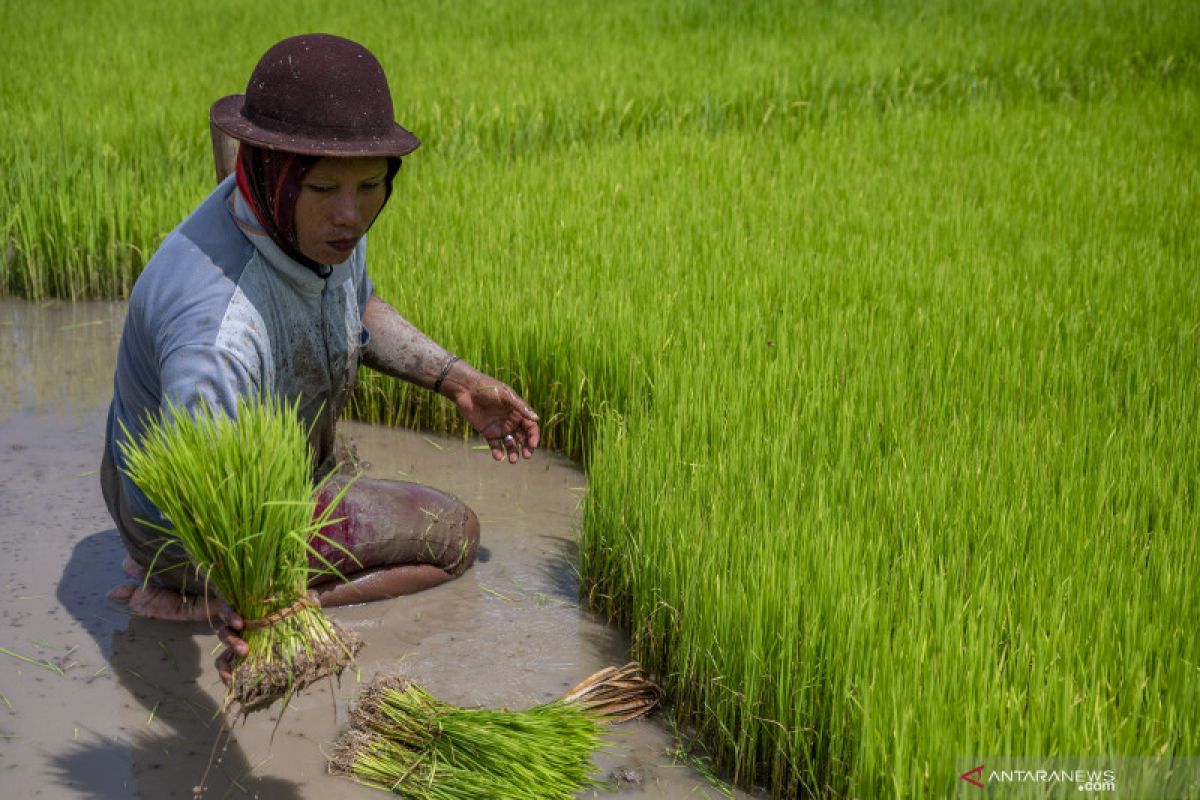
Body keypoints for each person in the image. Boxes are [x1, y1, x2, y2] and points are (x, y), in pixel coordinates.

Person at [102, 34, 540, 675]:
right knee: (452, 534)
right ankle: (194, 595)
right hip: (190, 526)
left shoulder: (290, 214)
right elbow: (206, 496)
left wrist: (457, 382)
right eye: (327, 188)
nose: (351, 215)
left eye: (370, 186)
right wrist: (246, 596)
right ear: (275, 176)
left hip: (221, 479)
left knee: (353, 477)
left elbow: (350, 305)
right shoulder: (216, 333)